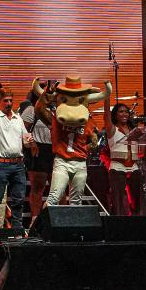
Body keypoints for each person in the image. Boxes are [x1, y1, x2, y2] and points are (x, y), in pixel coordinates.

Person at [34, 77, 108, 210]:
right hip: (62, 161)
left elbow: (93, 140)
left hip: (80, 162)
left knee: (76, 201)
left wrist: (89, 146)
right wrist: (47, 94)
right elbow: (39, 110)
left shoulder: (88, 121)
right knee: (54, 198)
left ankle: (75, 230)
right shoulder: (56, 119)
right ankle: (46, 229)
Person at [0, 80, 33, 236]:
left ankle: (16, 233)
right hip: (0, 165)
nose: (9, 103)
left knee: (18, 201)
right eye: (5, 100)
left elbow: (25, 140)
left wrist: (29, 142)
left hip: (18, 165)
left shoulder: (18, 118)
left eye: (10, 100)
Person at [103, 101, 144, 216]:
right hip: (117, 167)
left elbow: (142, 149)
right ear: (115, 115)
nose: (124, 114)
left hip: (134, 167)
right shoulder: (112, 129)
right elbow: (106, 114)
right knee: (118, 201)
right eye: (121, 112)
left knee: (137, 201)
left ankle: (136, 224)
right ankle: (119, 226)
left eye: (126, 112)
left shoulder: (134, 130)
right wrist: (106, 96)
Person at [21, 87, 53, 224]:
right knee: (38, 187)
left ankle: (58, 220)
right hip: (38, 148)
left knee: (58, 186)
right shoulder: (31, 109)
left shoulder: (57, 110)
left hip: (55, 149)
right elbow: (22, 130)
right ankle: (35, 221)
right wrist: (32, 143)